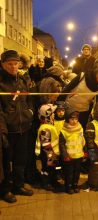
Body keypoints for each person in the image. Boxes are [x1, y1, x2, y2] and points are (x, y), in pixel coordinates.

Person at [0, 50, 34, 202]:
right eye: (10, 64)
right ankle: (5, 189)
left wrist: (30, 113)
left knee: (21, 159)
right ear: (3, 64)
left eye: (16, 64)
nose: (13, 67)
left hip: (24, 126)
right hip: (8, 128)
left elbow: (29, 99)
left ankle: (18, 185)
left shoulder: (22, 80)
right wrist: (3, 130)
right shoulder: (1, 82)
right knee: (7, 161)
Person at [59, 58, 98, 130]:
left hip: (84, 112)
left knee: (81, 131)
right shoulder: (82, 76)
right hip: (70, 108)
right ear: (97, 75)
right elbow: (67, 89)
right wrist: (59, 103)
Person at [35, 104, 61, 190]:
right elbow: (45, 143)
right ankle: (46, 183)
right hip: (48, 153)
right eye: (52, 114)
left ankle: (52, 180)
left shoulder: (49, 126)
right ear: (47, 116)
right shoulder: (45, 128)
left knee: (52, 168)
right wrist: (51, 154)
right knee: (47, 168)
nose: (54, 115)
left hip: (51, 153)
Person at [59, 110, 85, 194]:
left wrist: (85, 150)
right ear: (67, 120)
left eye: (76, 119)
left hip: (78, 155)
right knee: (69, 172)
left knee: (77, 172)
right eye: (72, 119)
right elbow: (62, 144)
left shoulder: (80, 128)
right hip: (69, 156)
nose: (74, 121)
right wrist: (65, 155)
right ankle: (68, 186)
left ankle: (75, 185)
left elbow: (82, 140)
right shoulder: (64, 131)